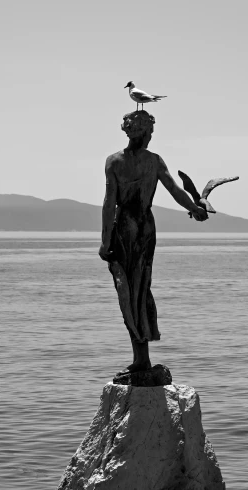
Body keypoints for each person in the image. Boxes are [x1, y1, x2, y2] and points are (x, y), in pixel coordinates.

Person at [98, 111, 208, 374]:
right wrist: (195, 208)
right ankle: (141, 357)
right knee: (140, 288)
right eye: (150, 133)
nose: (150, 137)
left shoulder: (113, 162)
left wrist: (104, 241)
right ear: (145, 133)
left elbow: (108, 203)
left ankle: (141, 358)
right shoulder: (154, 161)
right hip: (144, 228)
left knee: (129, 291)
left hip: (124, 228)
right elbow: (175, 191)